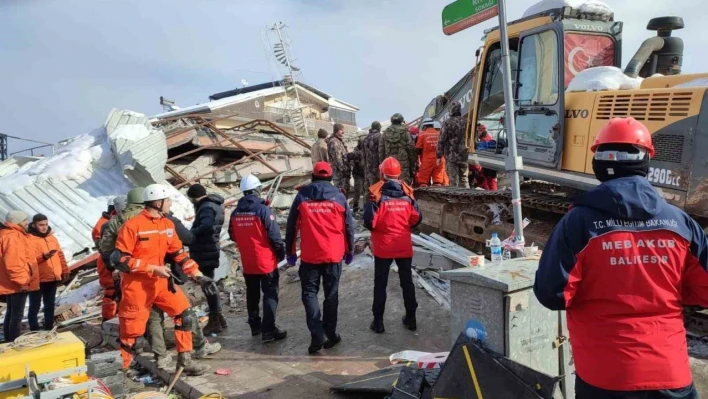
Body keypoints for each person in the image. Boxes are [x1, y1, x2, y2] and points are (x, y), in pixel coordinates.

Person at [534, 117, 705, 399]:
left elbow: (553, 293)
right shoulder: (682, 223)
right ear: (646, 160)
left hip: (604, 376)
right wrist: (664, 289)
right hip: (670, 373)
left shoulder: (578, 223)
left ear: (598, 161)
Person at [113, 184, 216, 376]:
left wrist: (198, 276)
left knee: (184, 314)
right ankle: (122, 374)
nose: (170, 203)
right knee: (131, 333)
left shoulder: (167, 225)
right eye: (167, 200)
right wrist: (152, 268)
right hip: (137, 285)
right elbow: (119, 259)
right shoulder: (132, 226)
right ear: (158, 202)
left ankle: (185, 360)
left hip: (161, 283)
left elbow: (179, 254)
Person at [285, 162, 355, 354]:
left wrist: (290, 252)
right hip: (333, 255)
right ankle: (330, 334)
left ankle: (317, 332)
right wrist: (349, 251)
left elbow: (291, 227)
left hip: (310, 255)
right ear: (331, 177)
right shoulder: (339, 197)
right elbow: (348, 227)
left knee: (309, 293)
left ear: (313, 177)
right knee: (331, 295)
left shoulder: (302, 197)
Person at [148, 211, 221, 370]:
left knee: (154, 317)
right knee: (185, 315)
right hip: (170, 275)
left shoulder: (129, 224)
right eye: (166, 200)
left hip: (146, 280)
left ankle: (160, 356)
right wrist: (197, 275)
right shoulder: (167, 222)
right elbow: (187, 240)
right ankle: (197, 348)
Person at [364, 157, 422, 333]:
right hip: (403, 245)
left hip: (383, 247)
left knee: (380, 284)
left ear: (382, 172)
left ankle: (378, 322)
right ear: (399, 174)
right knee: (407, 282)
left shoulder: (376, 197)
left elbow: (369, 222)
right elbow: (417, 218)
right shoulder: (408, 195)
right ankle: (411, 319)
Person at [229, 175, 287, 342]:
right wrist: (281, 253)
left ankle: (255, 327)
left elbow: (233, 235)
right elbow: (275, 236)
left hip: (247, 262)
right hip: (265, 261)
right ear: (257, 190)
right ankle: (269, 331)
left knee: (252, 294)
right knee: (270, 294)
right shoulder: (263, 210)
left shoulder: (235, 212)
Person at [186, 184, 226, 335]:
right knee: (210, 284)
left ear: (194, 197)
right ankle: (219, 318)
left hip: (205, 250)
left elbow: (207, 226)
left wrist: (190, 235)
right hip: (210, 248)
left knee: (208, 286)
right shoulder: (214, 205)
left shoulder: (206, 207)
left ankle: (215, 321)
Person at [0, 211, 39, 342]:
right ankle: (14, 343)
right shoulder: (13, 236)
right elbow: (14, 263)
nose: (27, 222)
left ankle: (8, 341)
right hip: (17, 282)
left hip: (11, 282)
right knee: (16, 315)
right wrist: (23, 282)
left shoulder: (9, 234)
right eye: (24, 220)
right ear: (16, 222)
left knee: (11, 313)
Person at [27, 214, 69, 331]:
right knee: (35, 306)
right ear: (34, 225)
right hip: (37, 278)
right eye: (41, 225)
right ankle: (34, 330)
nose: (44, 227)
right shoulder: (29, 239)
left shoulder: (52, 237)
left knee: (49, 304)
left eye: (46, 224)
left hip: (52, 276)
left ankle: (49, 327)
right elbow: (28, 259)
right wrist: (43, 257)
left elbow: (60, 254)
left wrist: (65, 269)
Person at [94, 196, 126, 322]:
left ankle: (113, 318)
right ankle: (108, 320)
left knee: (118, 292)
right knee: (111, 292)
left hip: (111, 261)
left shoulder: (110, 221)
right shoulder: (104, 224)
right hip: (108, 263)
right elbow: (102, 247)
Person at [436, 102, 469, 188]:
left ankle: (455, 199)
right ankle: (466, 198)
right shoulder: (467, 121)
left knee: (453, 180)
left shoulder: (447, 123)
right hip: (465, 155)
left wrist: (439, 156)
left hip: (451, 156)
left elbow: (441, 140)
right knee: (464, 179)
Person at [379, 114, 416, 184]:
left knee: (389, 184)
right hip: (404, 163)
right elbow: (411, 148)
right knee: (404, 184)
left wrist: (382, 163)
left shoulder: (385, 133)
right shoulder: (405, 132)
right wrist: (412, 163)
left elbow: (381, 150)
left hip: (389, 163)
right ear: (401, 121)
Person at [416, 119, 447, 187]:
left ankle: (423, 195)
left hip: (427, 161)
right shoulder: (440, 134)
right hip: (439, 160)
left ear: (424, 127)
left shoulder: (422, 135)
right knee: (437, 181)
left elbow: (418, 150)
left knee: (423, 182)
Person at [327, 123, 351, 195]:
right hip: (339, 174)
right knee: (340, 193)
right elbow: (337, 159)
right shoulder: (334, 142)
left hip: (342, 173)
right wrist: (343, 170)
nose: (343, 132)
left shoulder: (338, 140)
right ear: (337, 130)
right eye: (341, 130)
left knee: (345, 192)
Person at [347, 136, 366, 213]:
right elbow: (351, 159)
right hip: (358, 173)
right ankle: (355, 207)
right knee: (357, 191)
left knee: (365, 191)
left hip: (364, 173)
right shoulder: (356, 151)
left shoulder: (365, 149)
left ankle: (364, 206)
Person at [363, 121, 383, 190]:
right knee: (377, 186)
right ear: (379, 127)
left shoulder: (366, 138)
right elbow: (381, 151)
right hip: (377, 166)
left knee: (369, 186)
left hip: (368, 166)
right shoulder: (379, 136)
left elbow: (363, 153)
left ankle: (367, 200)